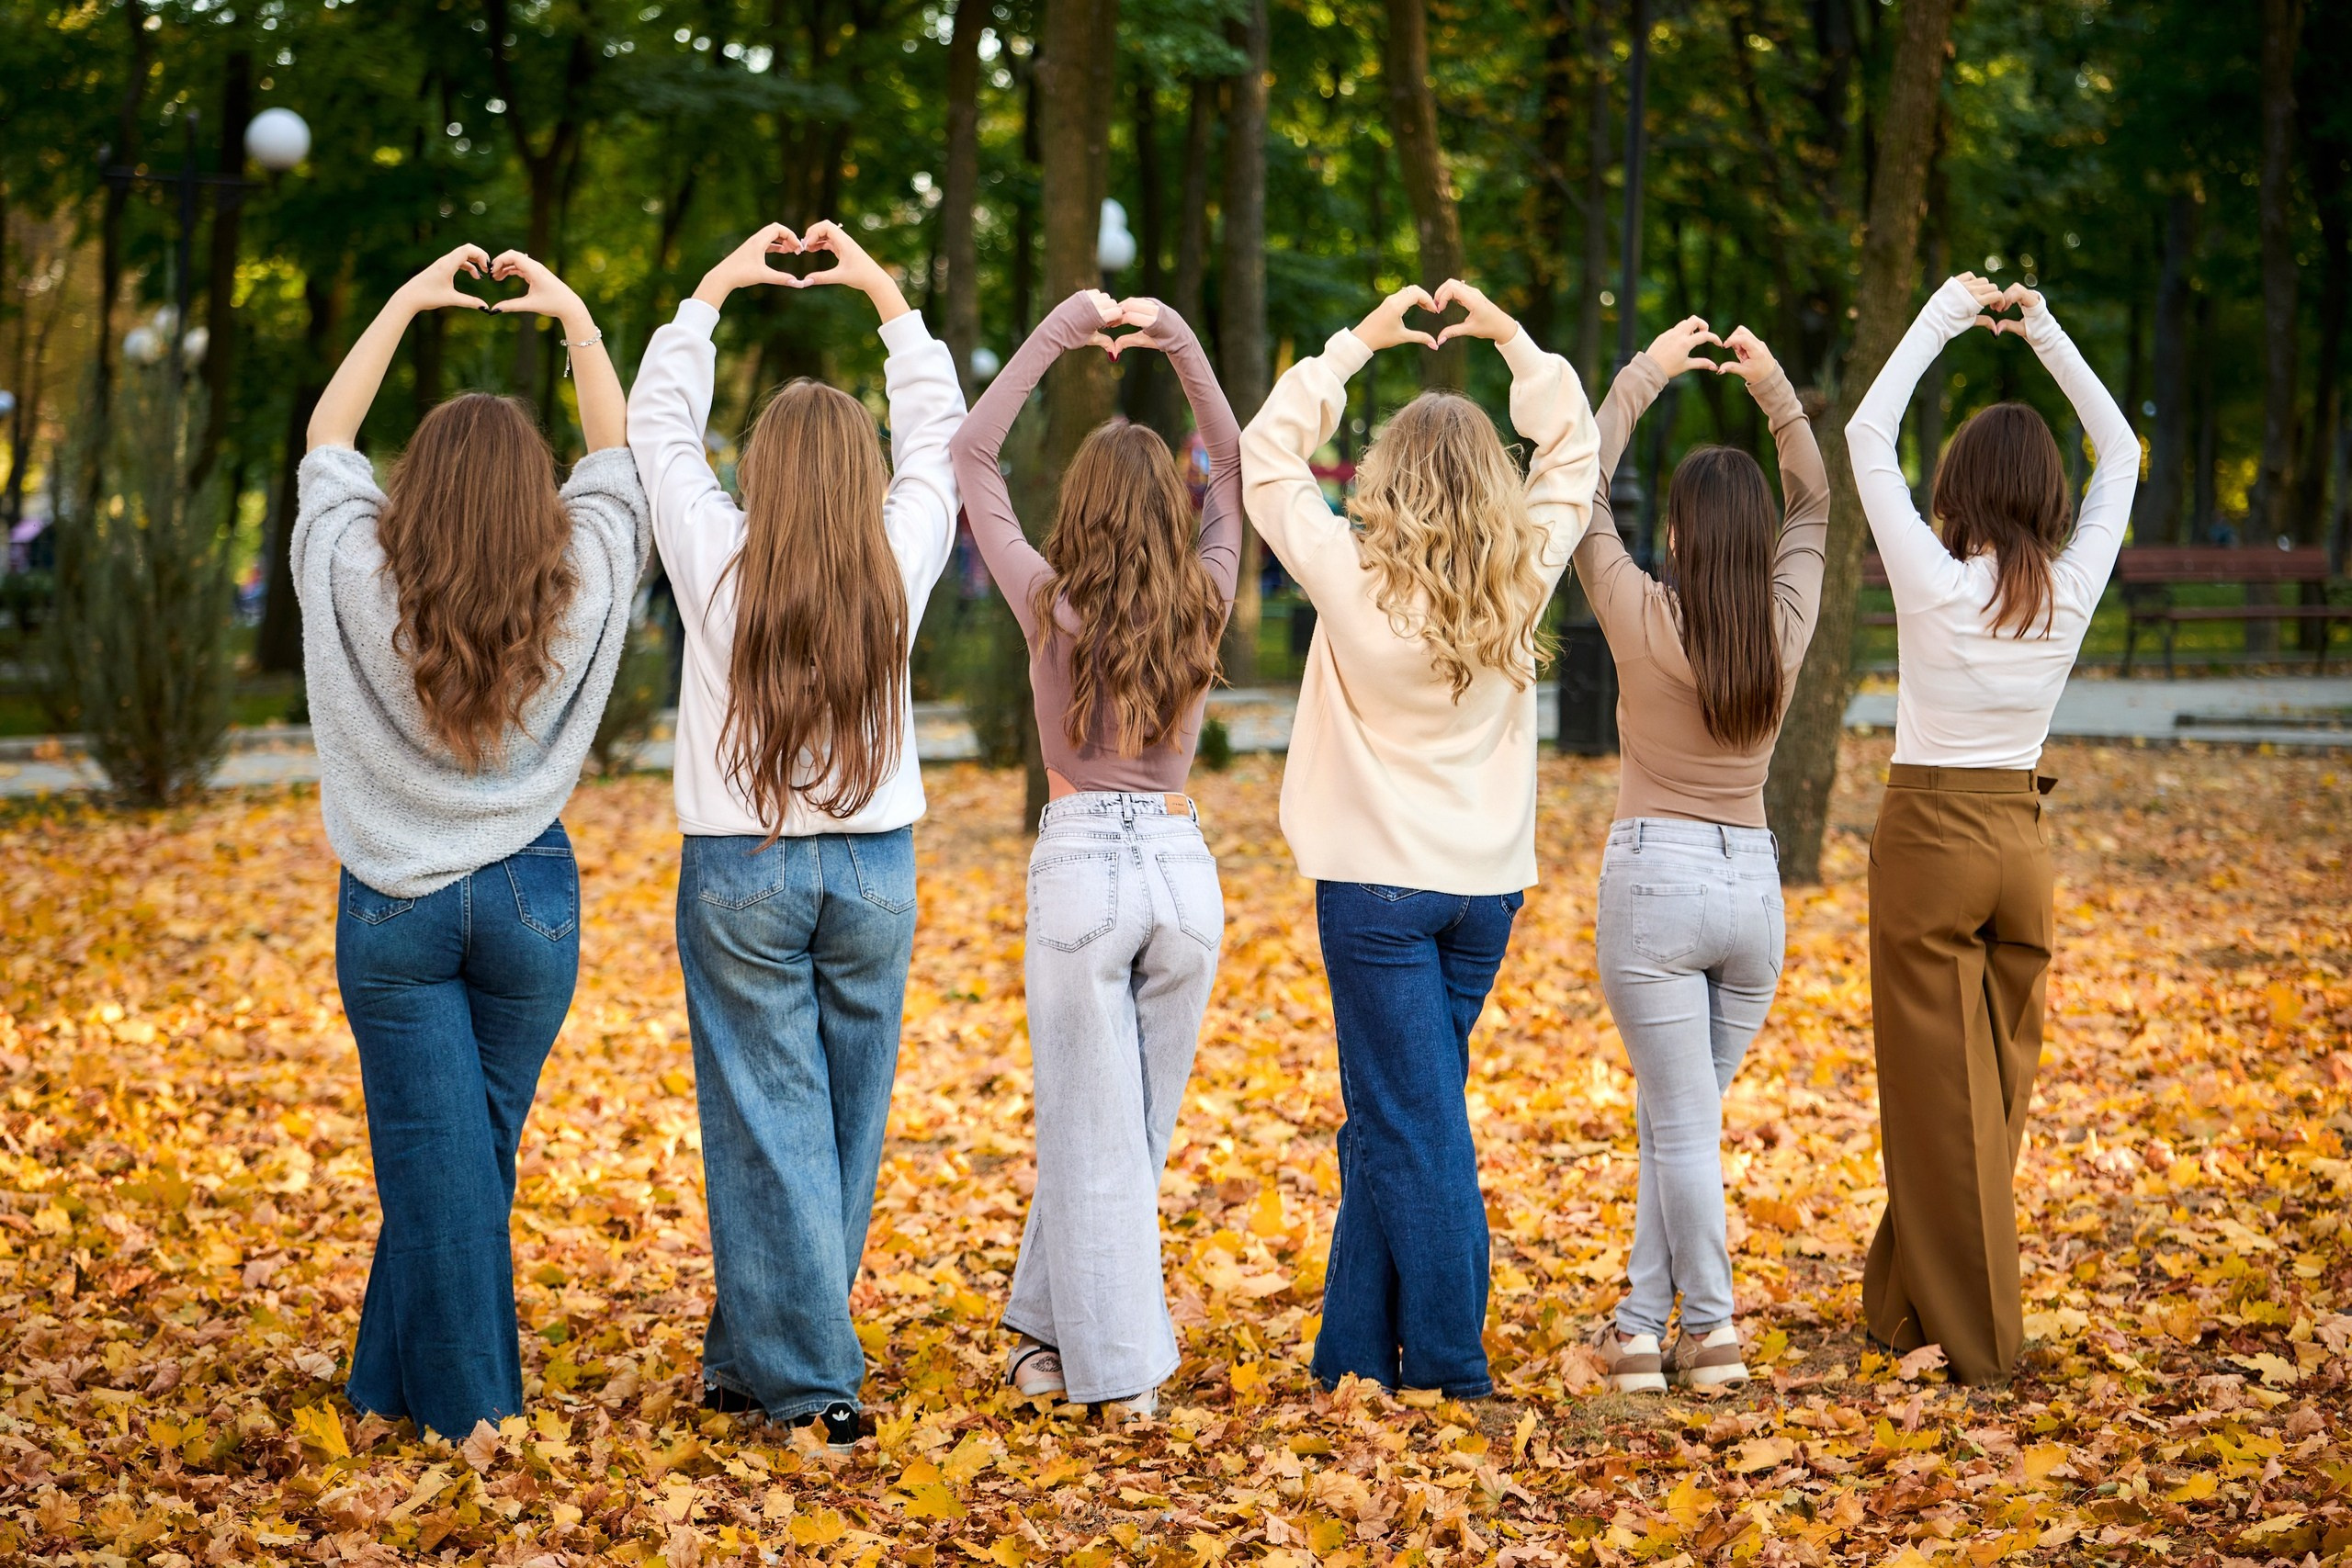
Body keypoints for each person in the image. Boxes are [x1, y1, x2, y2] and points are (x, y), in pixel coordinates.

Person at [295, 244, 649, 1438]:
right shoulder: (583, 575)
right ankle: (387, 1391)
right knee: (462, 1156)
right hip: (528, 897)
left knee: (437, 1160)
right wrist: (577, 318)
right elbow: (617, 467)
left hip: (394, 898)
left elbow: (326, 443)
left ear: (418, 486)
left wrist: (403, 301)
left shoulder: (353, 563)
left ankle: (470, 1418)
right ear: (534, 495)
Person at [627, 220, 963, 1449]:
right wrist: (884, 294)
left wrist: (713, 291)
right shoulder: (899, 551)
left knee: (766, 1117)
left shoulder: (717, 551)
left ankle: (812, 1381)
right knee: (840, 1120)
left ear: (760, 470)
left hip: (743, 865)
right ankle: (750, 1351)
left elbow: (658, 428)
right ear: (861, 471)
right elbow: (942, 432)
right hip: (875, 866)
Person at [1240, 280, 1599, 1399]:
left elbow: (1264, 452)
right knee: (1396, 1119)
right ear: (1491, 480)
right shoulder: (1521, 572)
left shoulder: (1348, 572)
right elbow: (1574, 449)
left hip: (1377, 896)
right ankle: (1352, 1353)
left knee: (1410, 1127)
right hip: (1481, 895)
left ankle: (1449, 1361)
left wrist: (1354, 342)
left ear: (1386, 479)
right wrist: (1511, 339)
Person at [947, 289, 1239, 1419]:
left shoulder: (1047, 602)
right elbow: (1235, 466)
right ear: (1171, 510)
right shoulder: (1206, 596)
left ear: (1079, 508)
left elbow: (973, 454)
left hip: (1083, 870)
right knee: (1124, 1135)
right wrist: (1180, 339)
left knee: (1092, 1134)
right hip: (1182, 871)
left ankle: (1118, 1378)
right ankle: (1039, 1332)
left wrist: (1058, 331)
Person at [1851, 274, 2137, 1384]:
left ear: (1958, 488)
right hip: (2020, 843)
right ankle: (1902, 1305)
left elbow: (1867, 433)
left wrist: (1941, 315)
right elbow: (2122, 454)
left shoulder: (1934, 581)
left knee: (1940, 1097)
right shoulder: (2069, 587)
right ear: (2049, 495)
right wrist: (2046, 333)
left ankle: (1980, 1345)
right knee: (1988, 1097)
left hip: (1931, 839)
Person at [1571, 318, 1828, 1394]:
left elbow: (1579, 492)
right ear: (1758, 539)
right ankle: (1638, 1328)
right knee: (1676, 1122)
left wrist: (1644, 373)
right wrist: (1773, 389)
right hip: (1751, 892)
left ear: (1674, 531)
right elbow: (1813, 500)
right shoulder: (1786, 621)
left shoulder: (1639, 613)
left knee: (1679, 1127)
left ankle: (1711, 1330)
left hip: (1657, 885)